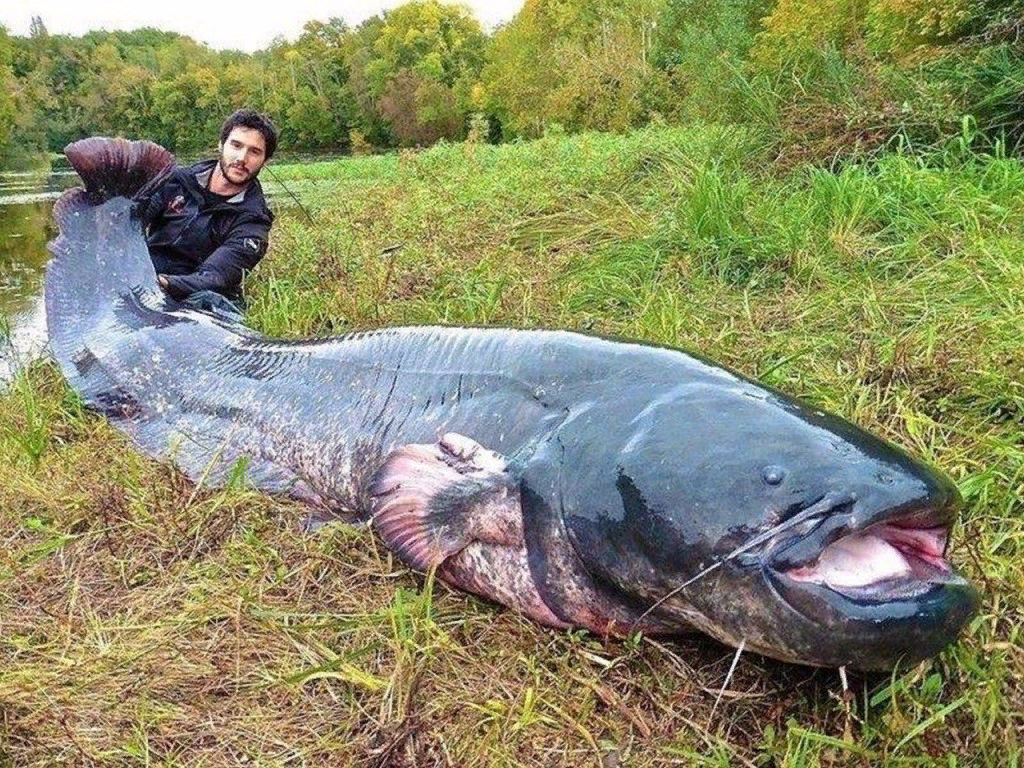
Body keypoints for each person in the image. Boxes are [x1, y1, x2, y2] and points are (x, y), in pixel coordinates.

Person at [135, 108, 278, 320]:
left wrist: (161, 283)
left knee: (211, 302)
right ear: (221, 145)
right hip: (143, 274)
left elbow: (216, 277)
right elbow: (134, 218)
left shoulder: (254, 222)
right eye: (236, 145)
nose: (241, 158)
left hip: (195, 294)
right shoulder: (175, 180)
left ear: (265, 161)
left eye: (254, 152)